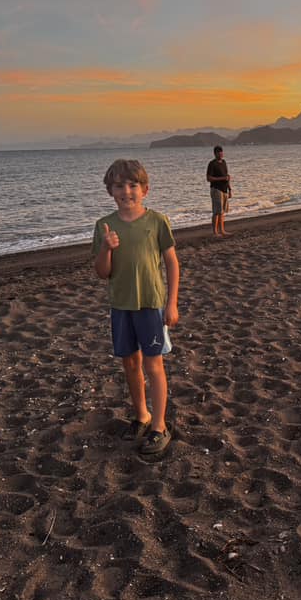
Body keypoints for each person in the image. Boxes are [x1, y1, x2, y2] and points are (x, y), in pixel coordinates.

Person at [92, 159, 180, 457]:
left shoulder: (157, 221)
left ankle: (159, 426)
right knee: (130, 364)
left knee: (153, 365)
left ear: (145, 189)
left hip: (151, 304)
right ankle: (141, 415)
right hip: (121, 305)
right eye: (119, 185)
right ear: (110, 190)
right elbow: (102, 272)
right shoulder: (105, 226)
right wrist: (106, 247)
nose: (126, 191)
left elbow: (171, 262)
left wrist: (172, 303)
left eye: (133, 185)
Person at [206, 145, 232, 236]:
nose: (220, 154)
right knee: (217, 211)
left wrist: (230, 189)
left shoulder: (224, 162)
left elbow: (227, 176)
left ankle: (222, 230)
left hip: (224, 189)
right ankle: (215, 232)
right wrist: (221, 178)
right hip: (216, 189)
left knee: (222, 211)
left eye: (221, 152)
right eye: (218, 152)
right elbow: (208, 178)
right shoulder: (212, 164)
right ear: (215, 153)